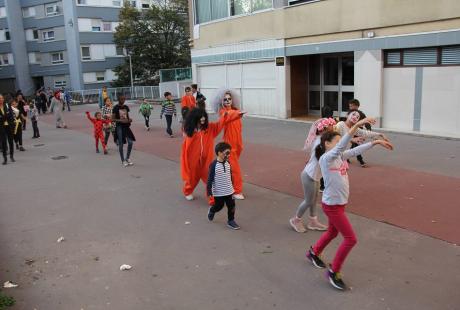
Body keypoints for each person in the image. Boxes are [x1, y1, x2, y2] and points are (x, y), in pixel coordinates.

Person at [307, 117, 393, 290]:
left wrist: (374, 142)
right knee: (350, 239)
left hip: (340, 204)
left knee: (332, 233)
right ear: (327, 145)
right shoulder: (326, 159)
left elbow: (353, 151)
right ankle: (334, 271)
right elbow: (341, 146)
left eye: (341, 141)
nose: (341, 145)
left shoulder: (340, 157)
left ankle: (314, 252)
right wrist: (358, 125)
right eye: (337, 141)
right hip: (332, 206)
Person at [181, 108, 244, 202]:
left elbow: (222, 122)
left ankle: (212, 200)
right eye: (200, 117)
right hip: (194, 162)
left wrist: (236, 115)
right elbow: (185, 149)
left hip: (206, 162)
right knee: (192, 179)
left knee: (211, 180)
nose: (203, 118)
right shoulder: (190, 132)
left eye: (204, 116)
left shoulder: (210, 128)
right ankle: (187, 191)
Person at [289, 118, 336, 233]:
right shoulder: (320, 143)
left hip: (315, 175)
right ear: (322, 130)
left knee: (314, 199)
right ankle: (296, 220)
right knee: (309, 200)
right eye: (330, 128)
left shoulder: (324, 141)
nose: (333, 130)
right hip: (309, 175)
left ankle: (313, 221)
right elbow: (325, 157)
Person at [207, 142, 240, 230]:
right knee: (219, 206)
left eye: (229, 153)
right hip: (219, 192)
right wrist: (209, 191)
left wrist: (232, 186)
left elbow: (229, 175)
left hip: (229, 190)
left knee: (232, 206)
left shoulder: (228, 163)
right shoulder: (214, 165)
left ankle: (231, 221)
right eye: (227, 153)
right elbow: (210, 179)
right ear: (219, 153)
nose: (229, 155)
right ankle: (212, 210)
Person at [219, 91, 245, 200]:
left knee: (229, 167)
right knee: (235, 168)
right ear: (222, 102)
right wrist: (237, 114)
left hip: (238, 144)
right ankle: (237, 191)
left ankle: (225, 186)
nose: (227, 101)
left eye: (229, 99)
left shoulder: (236, 111)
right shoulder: (223, 112)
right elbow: (228, 115)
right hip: (228, 146)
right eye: (225, 99)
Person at [112, 95, 136, 167]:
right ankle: (123, 161)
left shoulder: (126, 107)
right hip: (119, 127)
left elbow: (127, 116)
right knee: (121, 144)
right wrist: (120, 120)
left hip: (126, 127)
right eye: (122, 99)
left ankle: (127, 158)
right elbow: (112, 119)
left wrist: (129, 120)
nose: (123, 100)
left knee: (130, 142)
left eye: (124, 99)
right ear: (118, 99)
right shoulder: (115, 108)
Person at [348, 99, 370, 167]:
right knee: (355, 145)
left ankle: (352, 158)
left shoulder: (361, 113)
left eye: (351, 106)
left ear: (357, 106)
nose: (350, 108)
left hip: (358, 132)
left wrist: (369, 129)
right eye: (349, 106)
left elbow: (366, 121)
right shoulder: (349, 113)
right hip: (351, 131)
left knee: (355, 145)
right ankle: (359, 160)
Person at [0, 94, 15, 165]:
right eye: (0, 99)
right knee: (3, 142)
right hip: (2, 126)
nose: (1, 99)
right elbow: (6, 116)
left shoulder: (7, 105)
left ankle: (11, 156)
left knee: (11, 141)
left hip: (9, 125)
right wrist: (6, 116)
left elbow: (11, 114)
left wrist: (3, 117)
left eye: (2, 98)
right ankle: (5, 158)